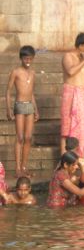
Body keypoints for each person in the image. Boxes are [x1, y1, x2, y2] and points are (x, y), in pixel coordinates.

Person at [60, 32, 84, 157]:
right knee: (67, 126)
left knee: (82, 128)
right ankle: (64, 157)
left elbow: (82, 78)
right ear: (80, 45)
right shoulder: (68, 56)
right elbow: (71, 71)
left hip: (83, 96)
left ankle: (79, 157)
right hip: (71, 94)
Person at [5, 45, 38, 178]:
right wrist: (8, 109)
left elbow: (32, 93)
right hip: (19, 105)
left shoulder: (33, 73)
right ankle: (17, 168)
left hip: (29, 105)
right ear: (21, 58)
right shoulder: (16, 72)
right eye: (25, 58)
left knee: (28, 138)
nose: (28, 61)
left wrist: (36, 109)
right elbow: (8, 91)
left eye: (30, 58)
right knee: (19, 137)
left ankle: (24, 167)